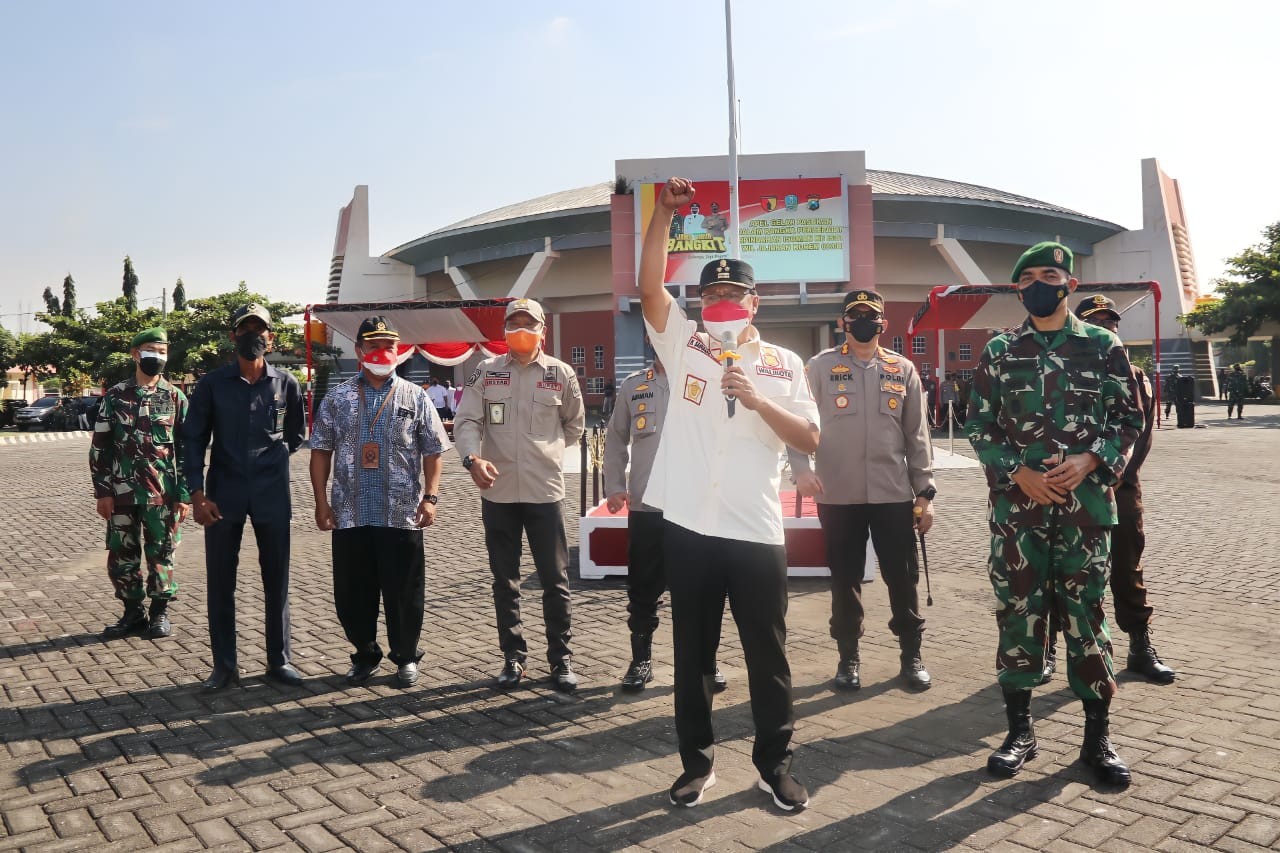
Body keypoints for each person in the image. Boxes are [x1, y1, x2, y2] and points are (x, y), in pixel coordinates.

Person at [639, 177, 819, 812]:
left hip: (754, 530)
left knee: (768, 658)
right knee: (692, 657)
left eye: (732, 293)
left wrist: (757, 398)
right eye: (711, 292)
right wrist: (662, 214)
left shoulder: (785, 364)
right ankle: (696, 763)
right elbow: (648, 287)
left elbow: (810, 437)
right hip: (688, 525)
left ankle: (774, 765)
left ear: (754, 302)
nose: (720, 300)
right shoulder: (682, 342)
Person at [966, 242, 1143, 786]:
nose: (1043, 283)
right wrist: (1015, 470)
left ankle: (1097, 740)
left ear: (1069, 285)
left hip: (1086, 511)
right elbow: (978, 423)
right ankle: (1020, 731)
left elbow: (1129, 420)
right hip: (1019, 513)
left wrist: (1093, 460)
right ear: (1019, 289)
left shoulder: (1104, 345)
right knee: (1017, 613)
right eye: (1031, 277)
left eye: (1053, 274)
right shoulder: (1000, 350)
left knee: (1088, 618)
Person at [789, 290, 936, 694]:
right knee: (845, 579)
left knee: (903, 579)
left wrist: (924, 493)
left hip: (893, 495)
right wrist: (800, 469)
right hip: (838, 494)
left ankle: (911, 655)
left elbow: (916, 435)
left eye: (871, 316)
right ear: (843, 323)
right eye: (855, 316)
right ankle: (848, 658)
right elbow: (799, 423)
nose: (863, 322)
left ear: (882, 324)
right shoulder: (819, 368)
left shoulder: (902, 369)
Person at [454, 298, 586, 692]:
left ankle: (560, 660)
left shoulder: (561, 374)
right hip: (497, 492)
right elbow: (466, 421)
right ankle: (513, 658)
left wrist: (546, 453)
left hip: (545, 491)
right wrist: (471, 459)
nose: (520, 330)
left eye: (528, 324)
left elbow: (574, 426)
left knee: (555, 580)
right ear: (504, 331)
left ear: (543, 329)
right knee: (505, 581)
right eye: (513, 324)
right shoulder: (486, 372)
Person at [1043, 296, 1176, 685]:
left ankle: (1139, 645)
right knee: (1057, 569)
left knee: (1126, 567)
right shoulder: (1061, 371)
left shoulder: (1136, 377)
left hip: (1120, 487)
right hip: (1071, 487)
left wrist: (1112, 473)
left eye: (1111, 322)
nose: (1108, 329)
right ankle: (1049, 648)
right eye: (1097, 323)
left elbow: (1141, 433)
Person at [310, 316, 448, 688]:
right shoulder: (337, 398)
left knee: (404, 592)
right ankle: (365, 653)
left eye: (390, 346)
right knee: (353, 593)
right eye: (374, 346)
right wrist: (321, 504)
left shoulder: (415, 396)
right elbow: (321, 451)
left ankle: (405, 657)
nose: (383, 353)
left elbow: (433, 451)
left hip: (400, 512)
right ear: (359, 351)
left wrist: (430, 498)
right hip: (350, 512)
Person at [183, 303, 306, 692]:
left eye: (260, 329)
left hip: (272, 493)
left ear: (271, 338)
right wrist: (197, 495)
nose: (253, 336)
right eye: (245, 329)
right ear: (233, 336)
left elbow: (295, 434)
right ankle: (224, 666)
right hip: (223, 493)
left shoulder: (286, 383)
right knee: (221, 581)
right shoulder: (212, 385)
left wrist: (275, 459)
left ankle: (279, 660)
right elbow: (192, 441)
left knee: (278, 580)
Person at [603, 351, 727, 693]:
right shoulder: (633, 386)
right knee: (643, 590)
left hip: (695, 509)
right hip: (648, 507)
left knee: (703, 590)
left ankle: (706, 661)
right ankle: (641, 660)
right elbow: (615, 438)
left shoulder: (706, 382)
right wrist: (614, 485)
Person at [90, 328, 191, 640]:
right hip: (121, 493)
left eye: (162, 351)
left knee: (162, 551)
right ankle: (132, 612)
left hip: (163, 493)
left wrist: (185, 493)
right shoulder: (115, 396)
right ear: (135, 354)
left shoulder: (175, 397)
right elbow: (100, 447)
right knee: (122, 553)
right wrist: (103, 492)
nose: (156, 356)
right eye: (150, 350)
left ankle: (160, 611)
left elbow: (189, 449)